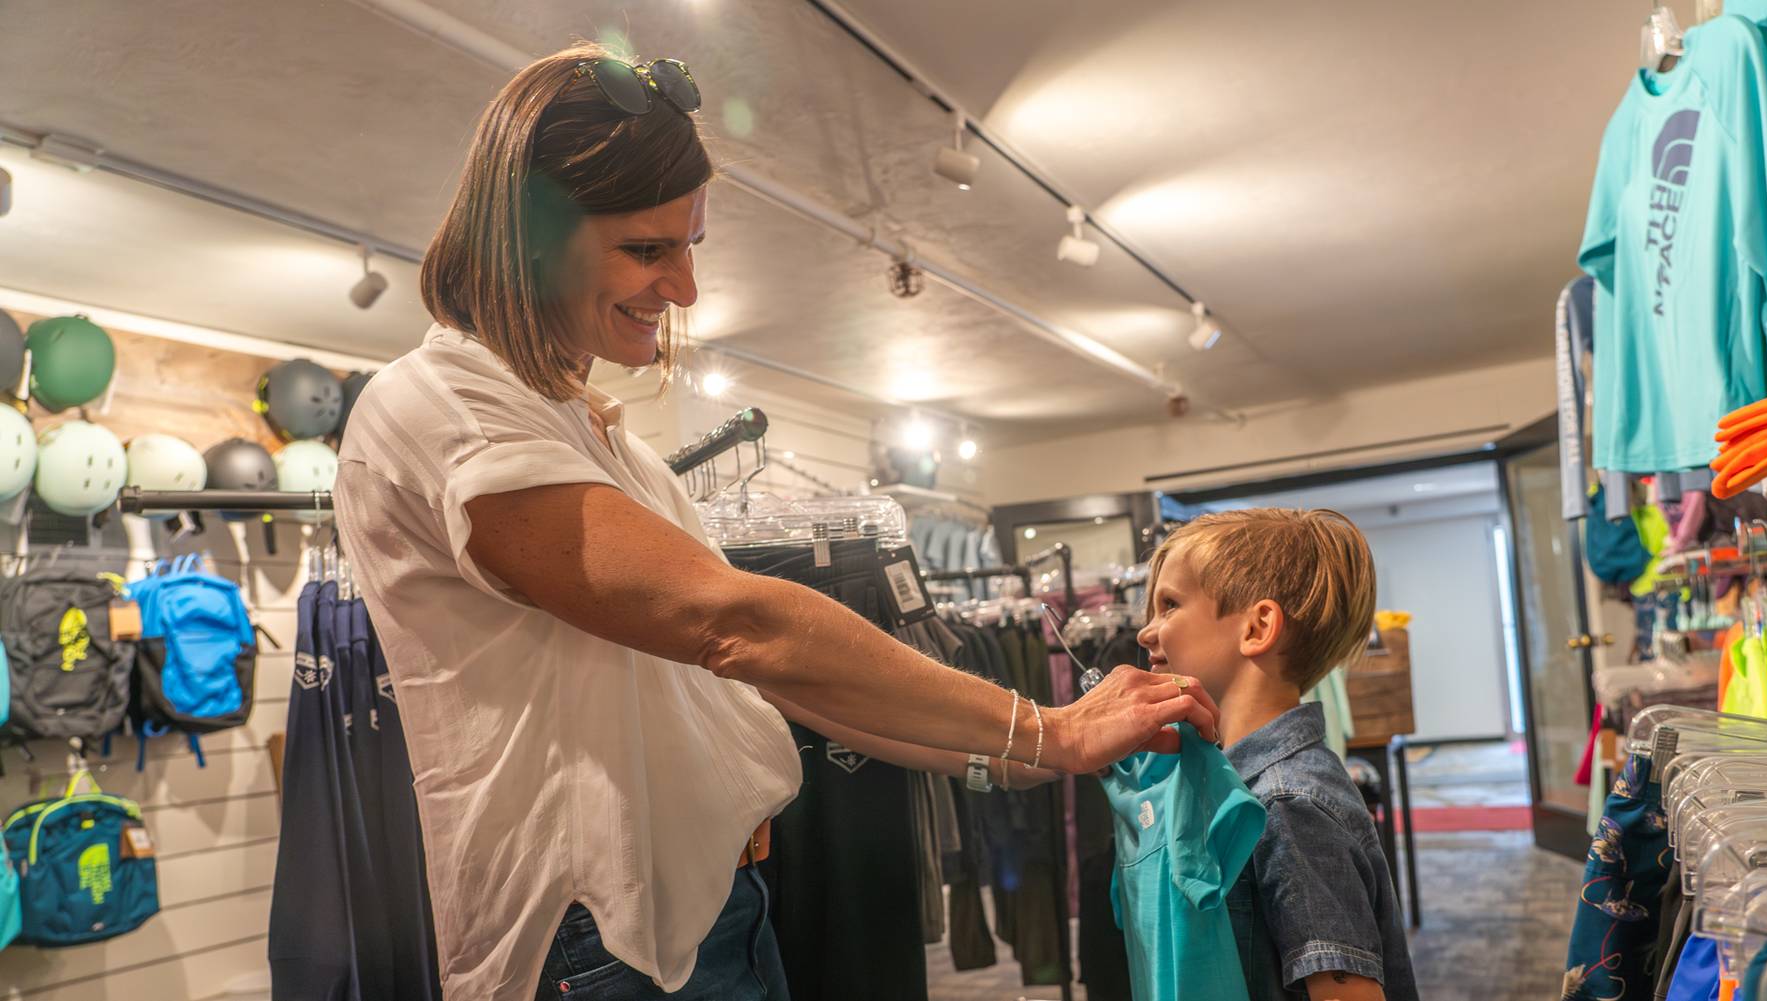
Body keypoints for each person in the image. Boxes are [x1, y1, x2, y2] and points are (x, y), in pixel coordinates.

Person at [330, 42, 1222, 1001]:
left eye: (689, 247)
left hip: (705, 912)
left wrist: (1024, 755)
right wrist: (1045, 727)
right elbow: (736, 624)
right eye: (646, 250)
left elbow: (785, 684)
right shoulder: (446, 406)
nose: (684, 289)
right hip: (598, 943)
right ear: (524, 235)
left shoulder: (606, 445)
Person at [1137, 509, 1419, 1001]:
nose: (1146, 632)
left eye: (1169, 606)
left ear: (1258, 627)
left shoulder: (1287, 806)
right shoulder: (1237, 785)